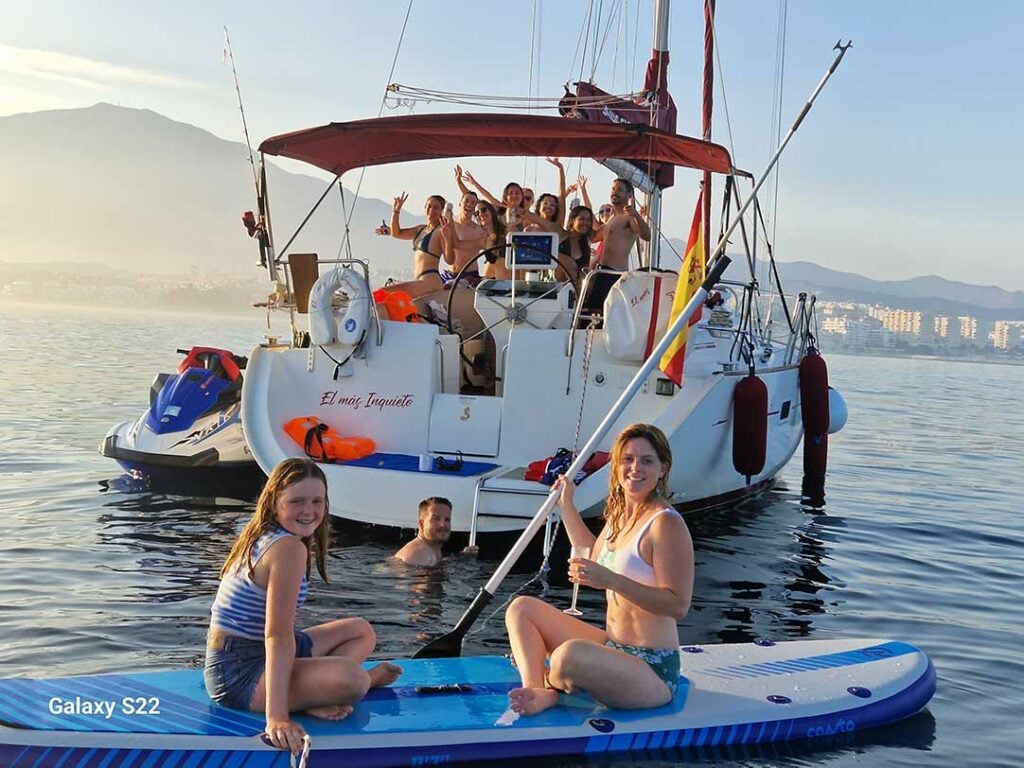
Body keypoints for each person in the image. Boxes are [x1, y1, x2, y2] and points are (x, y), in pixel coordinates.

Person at [204, 458, 402, 753]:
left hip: (245, 653)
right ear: (274, 503)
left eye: (316, 501)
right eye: (297, 501)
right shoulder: (287, 548)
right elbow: (277, 635)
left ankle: (313, 694)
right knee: (354, 679)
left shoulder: (271, 534)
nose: (308, 510)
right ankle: (341, 688)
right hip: (238, 674)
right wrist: (277, 718)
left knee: (360, 631)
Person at [505, 423, 694, 716]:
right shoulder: (621, 514)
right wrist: (567, 504)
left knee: (569, 656)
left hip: (652, 667)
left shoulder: (665, 523)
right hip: (613, 646)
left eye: (647, 461)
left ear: (663, 469)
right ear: (616, 465)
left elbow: (678, 605)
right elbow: (593, 554)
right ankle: (538, 690)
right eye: (628, 459)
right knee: (521, 609)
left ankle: (554, 677)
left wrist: (612, 581)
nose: (635, 468)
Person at [383, 192, 448, 297]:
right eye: (429, 206)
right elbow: (396, 233)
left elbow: (449, 259)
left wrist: (448, 236)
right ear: (424, 208)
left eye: (436, 208)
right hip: (419, 280)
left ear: (441, 211)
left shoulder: (441, 231)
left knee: (381, 294)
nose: (431, 210)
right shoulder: (420, 229)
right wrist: (396, 211)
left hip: (430, 281)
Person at [394, 496, 478, 566]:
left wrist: (462, 556)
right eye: (436, 519)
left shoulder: (429, 551)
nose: (443, 524)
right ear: (421, 524)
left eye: (447, 519)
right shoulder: (420, 554)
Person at [590, 178, 651, 271]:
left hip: (615, 273)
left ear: (629, 195)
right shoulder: (611, 218)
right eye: (613, 189)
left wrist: (637, 216)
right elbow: (593, 237)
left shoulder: (629, 217)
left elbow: (647, 236)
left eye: (620, 190)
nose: (615, 192)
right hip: (602, 270)